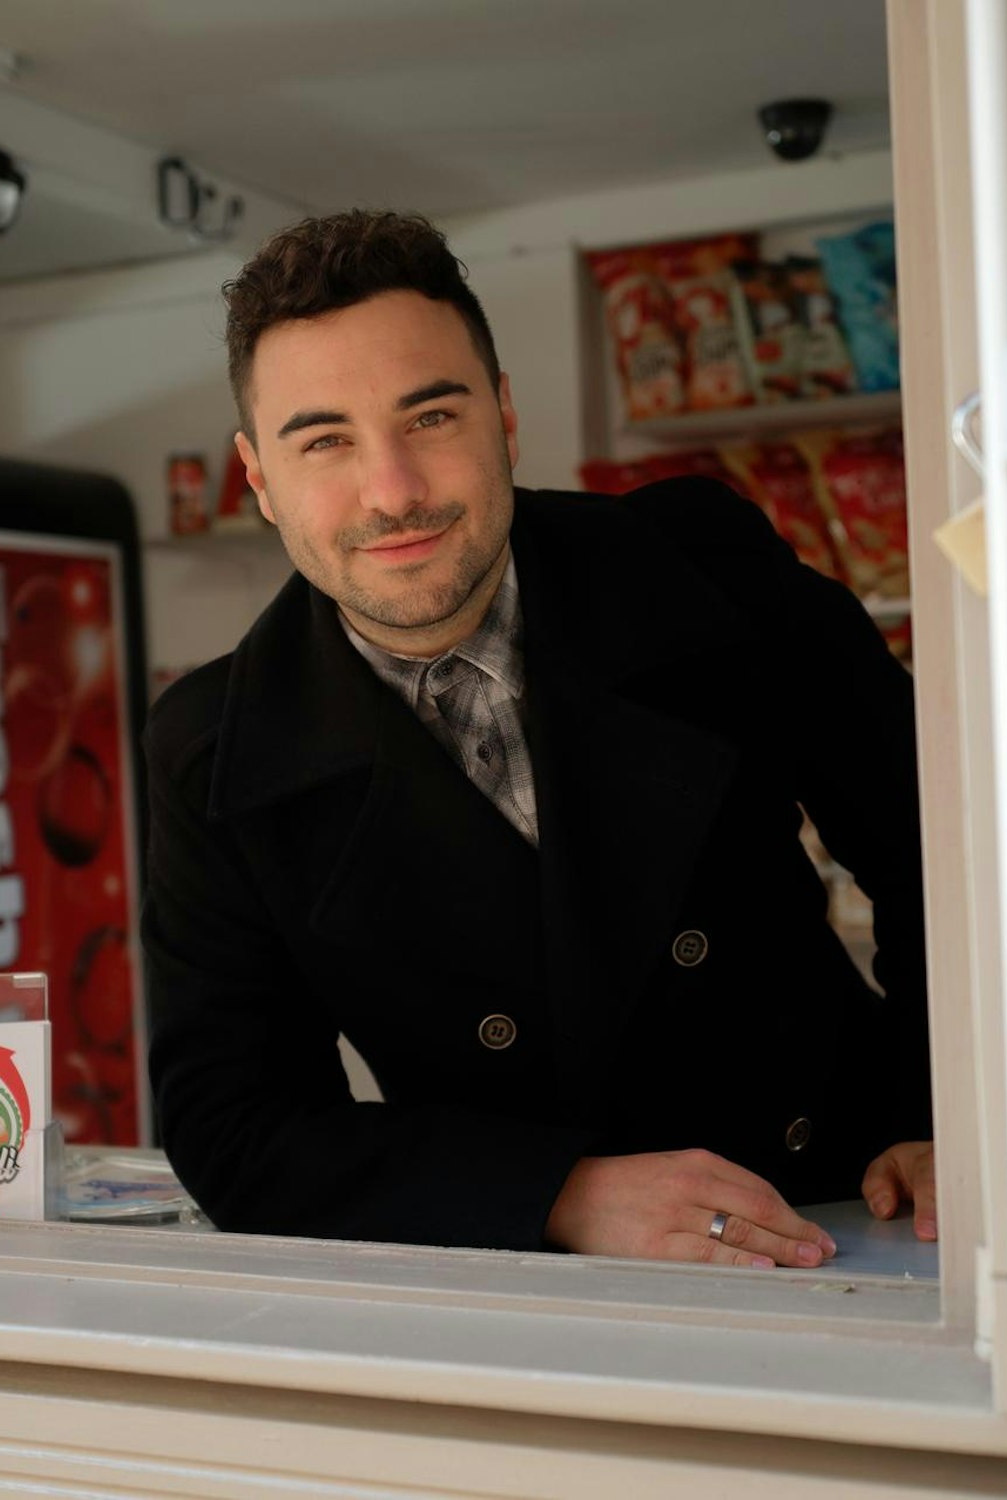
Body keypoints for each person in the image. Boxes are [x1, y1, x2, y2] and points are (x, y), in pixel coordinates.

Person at [142, 210, 934, 1269]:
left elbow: (944, 845)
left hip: (849, 1214)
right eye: (324, 440)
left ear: (504, 414)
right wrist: (553, 1196)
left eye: (429, 417)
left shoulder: (701, 564)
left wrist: (948, 1112)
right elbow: (234, 1124)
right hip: (524, 1275)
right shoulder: (211, 745)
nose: (392, 491)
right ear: (258, 477)